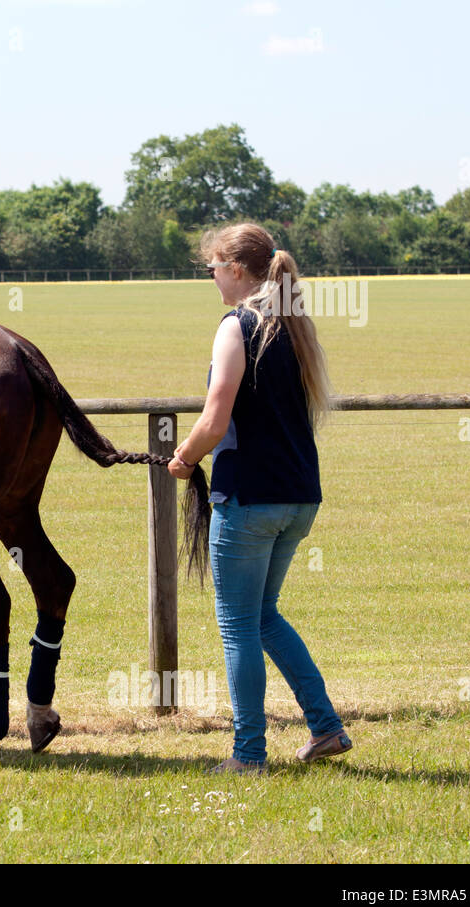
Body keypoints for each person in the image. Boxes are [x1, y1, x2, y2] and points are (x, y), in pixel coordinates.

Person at [167, 222, 352, 774]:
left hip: (248, 496)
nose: (212, 278)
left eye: (214, 269)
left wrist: (185, 458)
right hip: (299, 495)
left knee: (238, 624)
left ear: (238, 270)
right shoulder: (292, 325)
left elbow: (215, 415)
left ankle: (248, 755)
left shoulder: (236, 325)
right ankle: (325, 728)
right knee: (264, 616)